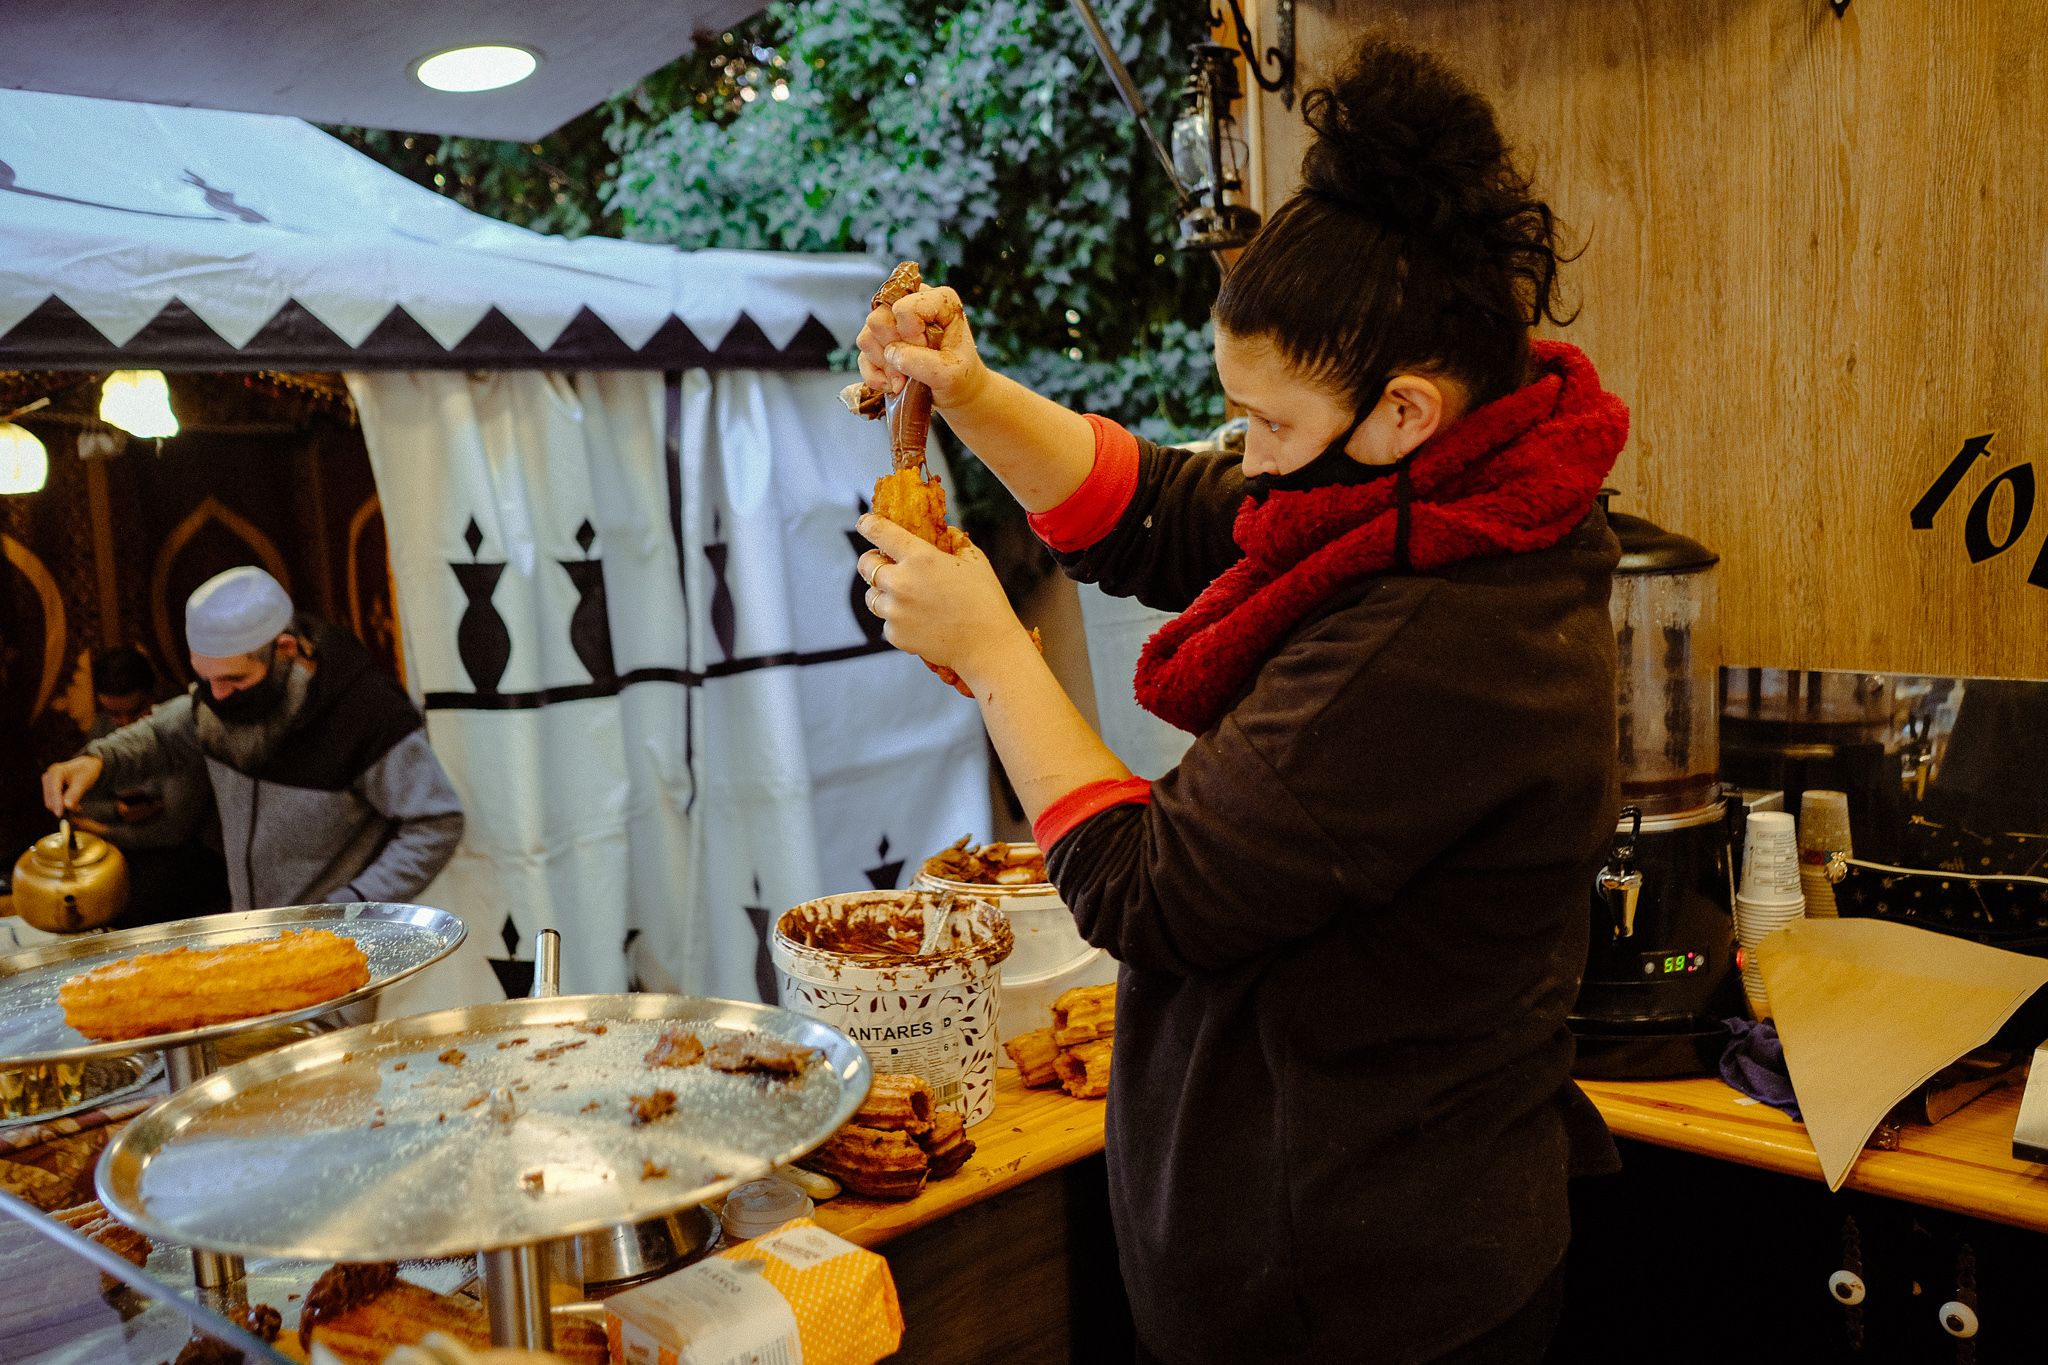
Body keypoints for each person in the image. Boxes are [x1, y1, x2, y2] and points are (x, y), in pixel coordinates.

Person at [852, 37, 1628, 1364]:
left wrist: (993, 653)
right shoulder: (1438, 497)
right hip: (1336, 1247)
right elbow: (1164, 511)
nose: (1248, 462)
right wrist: (969, 395)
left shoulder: (1441, 635)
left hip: (1363, 1291)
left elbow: (1150, 891)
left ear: (1401, 411)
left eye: (1265, 424)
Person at [41, 567, 464, 911]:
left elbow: (436, 822)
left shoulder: (367, 714)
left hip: (341, 943)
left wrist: (353, 906)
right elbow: (163, 735)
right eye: (205, 679)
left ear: (285, 648)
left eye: (233, 679)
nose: (218, 697)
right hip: (253, 927)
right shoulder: (215, 699)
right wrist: (97, 761)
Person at [66, 645, 229, 925]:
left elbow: (175, 829)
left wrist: (104, 830)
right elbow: (83, 800)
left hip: (194, 849)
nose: (125, 724)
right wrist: (116, 810)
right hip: (132, 840)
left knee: (135, 898)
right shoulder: (106, 727)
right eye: (115, 715)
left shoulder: (180, 730)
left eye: (136, 711)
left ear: (152, 695)